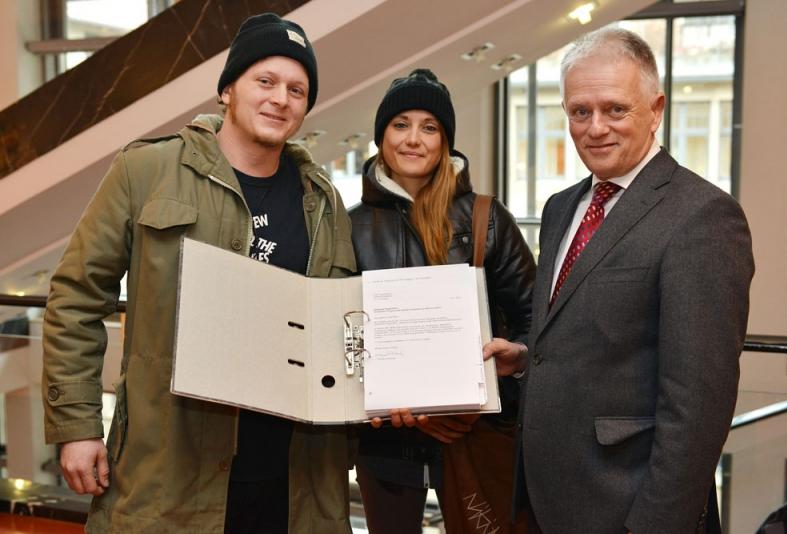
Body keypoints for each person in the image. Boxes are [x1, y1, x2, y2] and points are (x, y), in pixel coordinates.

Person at [41, 13, 356, 533]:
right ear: (228, 89)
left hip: (294, 481)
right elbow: (76, 296)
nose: (281, 99)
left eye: (298, 90)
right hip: (169, 476)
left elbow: (342, 327)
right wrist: (77, 426)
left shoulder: (322, 201)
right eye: (266, 81)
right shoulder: (145, 171)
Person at [487, 27, 754, 534]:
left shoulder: (703, 218)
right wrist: (525, 358)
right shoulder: (562, 207)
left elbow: (697, 410)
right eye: (579, 111)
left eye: (615, 109)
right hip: (547, 500)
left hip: (631, 509)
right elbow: (576, 335)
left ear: (655, 110)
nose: (595, 128)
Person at [348, 68, 536, 533]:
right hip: (386, 443)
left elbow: (538, 319)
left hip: (474, 434)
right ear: (381, 137)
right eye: (400, 124)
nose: (414, 139)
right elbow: (342, 336)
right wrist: (380, 402)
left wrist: (519, 356)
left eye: (429, 127)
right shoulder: (346, 225)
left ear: (445, 141)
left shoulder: (487, 219)